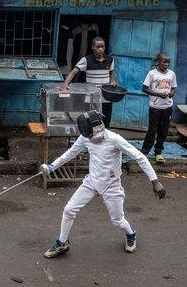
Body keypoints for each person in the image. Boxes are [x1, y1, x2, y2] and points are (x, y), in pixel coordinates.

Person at [40, 110, 166, 259]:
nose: (87, 137)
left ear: (97, 127)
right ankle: (62, 242)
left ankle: (131, 234)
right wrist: (52, 167)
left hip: (111, 185)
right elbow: (71, 153)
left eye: (89, 134)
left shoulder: (115, 139)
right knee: (69, 210)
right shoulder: (86, 136)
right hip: (92, 181)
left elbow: (139, 157)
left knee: (118, 221)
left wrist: (155, 181)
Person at [60, 37, 117, 128]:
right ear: (92, 47)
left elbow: (110, 73)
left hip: (106, 97)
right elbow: (73, 72)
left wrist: (113, 81)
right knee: (91, 122)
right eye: (97, 47)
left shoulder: (110, 60)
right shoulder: (86, 60)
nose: (100, 49)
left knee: (106, 123)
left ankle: (104, 140)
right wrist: (66, 83)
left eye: (102, 46)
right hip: (91, 98)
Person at [141, 52, 177, 164]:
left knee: (163, 131)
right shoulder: (152, 73)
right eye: (164, 62)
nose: (166, 64)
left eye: (168, 62)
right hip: (155, 107)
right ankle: (144, 152)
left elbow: (174, 88)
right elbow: (144, 88)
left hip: (167, 107)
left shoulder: (172, 74)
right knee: (152, 130)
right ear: (158, 62)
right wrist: (158, 95)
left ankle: (158, 152)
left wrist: (171, 93)